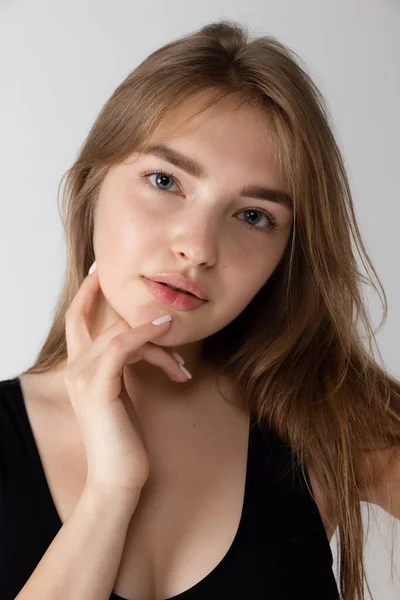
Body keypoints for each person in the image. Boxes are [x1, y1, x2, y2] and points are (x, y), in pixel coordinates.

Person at [1, 18, 399, 600]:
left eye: (254, 216)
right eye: (165, 180)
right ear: (92, 187)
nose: (199, 247)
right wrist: (112, 490)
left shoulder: (327, 417)